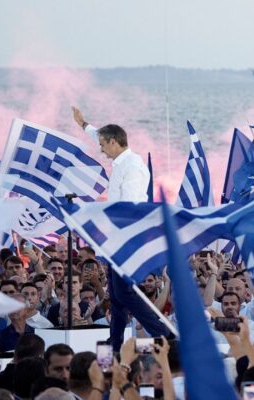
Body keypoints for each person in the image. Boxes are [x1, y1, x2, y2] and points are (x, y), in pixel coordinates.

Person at [72, 106, 173, 351]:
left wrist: (101, 221)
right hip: (116, 236)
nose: (101, 150)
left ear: (115, 142)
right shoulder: (120, 158)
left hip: (126, 236)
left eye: (104, 145)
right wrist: (84, 124)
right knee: (116, 297)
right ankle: (115, 342)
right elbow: (100, 134)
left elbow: (128, 207)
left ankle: (163, 332)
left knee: (124, 293)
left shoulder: (134, 167)